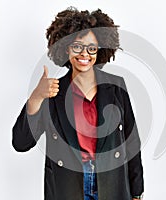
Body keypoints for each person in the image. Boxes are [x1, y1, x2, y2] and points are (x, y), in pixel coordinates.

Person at [12, 7, 144, 200]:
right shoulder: (52, 92)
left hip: (112, 183)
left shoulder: (116, 86)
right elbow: (21, 143)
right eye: (77, 46)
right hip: (67, 186)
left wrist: (137, 192)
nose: (85, 54)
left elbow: (132, 143)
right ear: (66, 48)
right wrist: (36, 97)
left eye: (91, 47)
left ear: (99, 50)